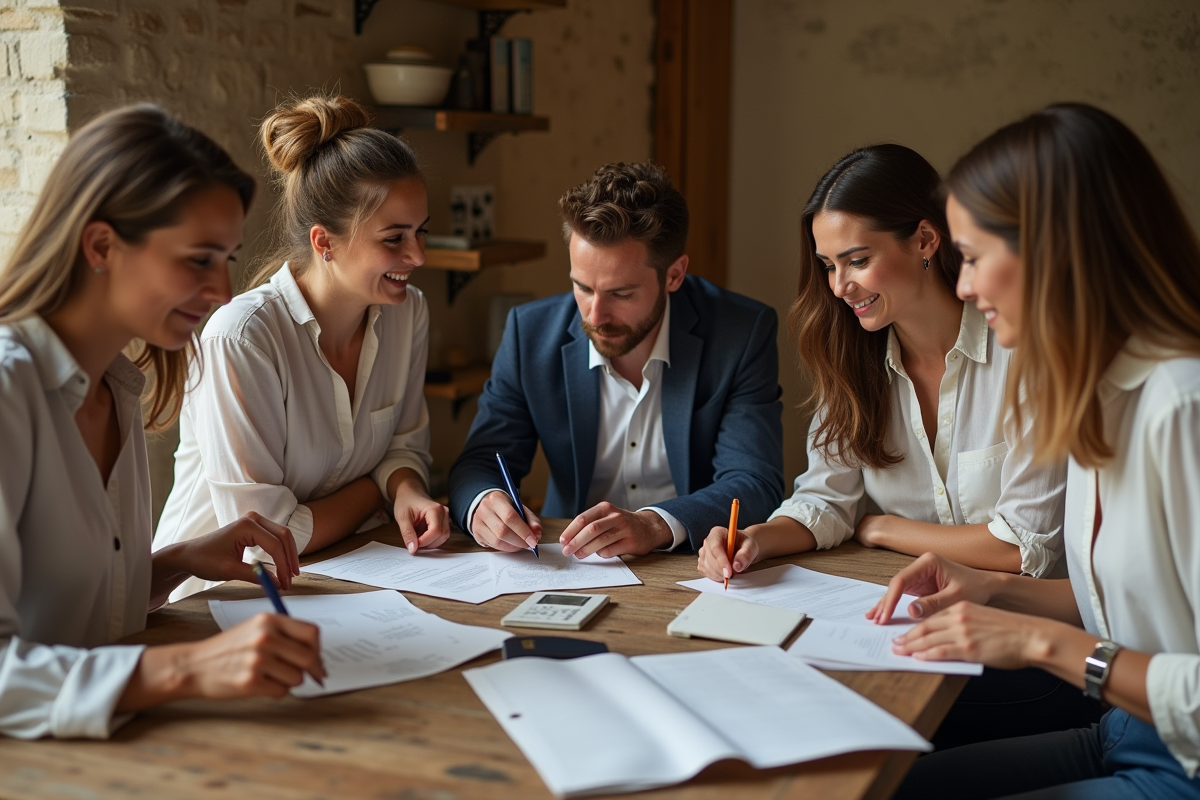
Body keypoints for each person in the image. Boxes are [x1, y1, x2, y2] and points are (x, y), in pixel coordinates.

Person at [877, 103, 1200, 798]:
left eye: (973, 258)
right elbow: (1140, 607)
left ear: (1057, 251)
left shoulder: (1182, 406)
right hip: (1128, 733)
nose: (961, 286)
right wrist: (995, 589)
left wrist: (1034, 641)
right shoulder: (1098, 394)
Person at [0, 105, 326, 739]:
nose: (225, 292)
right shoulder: (9, 391)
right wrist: (188, 669)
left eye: (228, 258)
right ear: (101, 245)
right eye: (199, 259)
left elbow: (62, 609)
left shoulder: (117, 385)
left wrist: (175, 560)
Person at [698, 144, 1067, 585]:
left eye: (857, 261)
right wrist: (755, 540)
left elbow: (1023, 545)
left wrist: (883, 527)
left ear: (925, 240)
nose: (839, 287)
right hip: (905, 613)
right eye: (828, 266)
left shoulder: (1025, 355)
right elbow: (826, 500)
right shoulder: (852, 361)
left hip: (1024, 624)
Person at [154, 95, 446, 601]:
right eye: (394, 238)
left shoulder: (408, 312)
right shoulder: (242, 337)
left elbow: (404, 446)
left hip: (343, 577)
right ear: (324, 242)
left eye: (421, 232)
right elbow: (266, 539)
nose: (417, 255)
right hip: (214, 602)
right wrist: (379, 490)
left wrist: (406, 488)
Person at [447, 162, 784, 557]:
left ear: (674, 275)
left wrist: (654, 524)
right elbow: (483, 459)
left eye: (621, 294)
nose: (594, 315)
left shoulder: (741, 332)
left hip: (692, 562)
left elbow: (754, 480)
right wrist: (484, 502)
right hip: (567, 561)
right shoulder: (530, 333)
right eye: (582, 287)